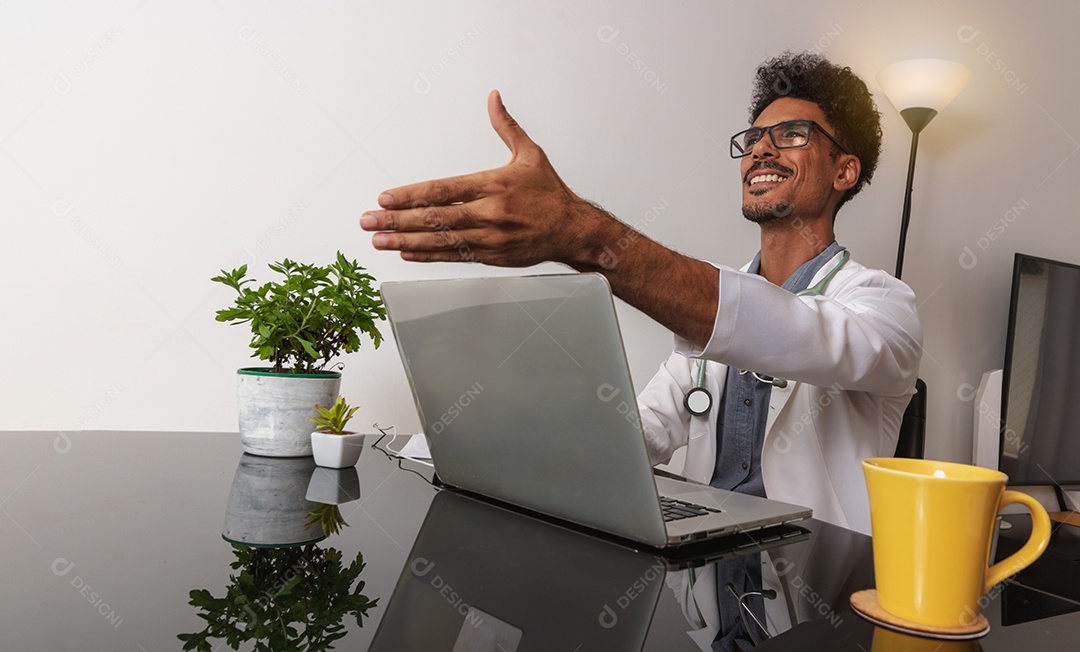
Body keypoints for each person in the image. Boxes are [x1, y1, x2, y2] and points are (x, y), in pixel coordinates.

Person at [360, 51, 922, 534]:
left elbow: (799, 333)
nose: (761, 150)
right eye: (753, 138)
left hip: (820, 587)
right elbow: (638, 435)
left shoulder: (884, 306)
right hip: (707, 578)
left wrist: (583, 232)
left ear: (844, 170)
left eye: (791, 136)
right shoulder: (708, 302)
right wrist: (461, 442)